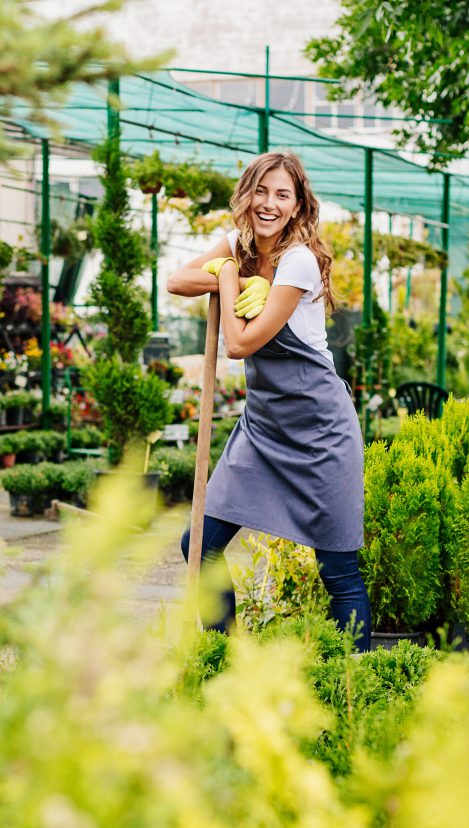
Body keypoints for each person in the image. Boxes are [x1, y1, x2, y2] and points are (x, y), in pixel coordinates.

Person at [166, 151, 371, 650]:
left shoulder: (298, 260)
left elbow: (239, 344)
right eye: (261, 191)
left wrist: (228, 277)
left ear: (298, 205)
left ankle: (360, 681)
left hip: (320, 431)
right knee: (199, 545)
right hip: (264, 428)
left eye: (283, 194)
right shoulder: (238, 244)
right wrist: (235, 274)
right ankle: (226, 659)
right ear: (247, 194)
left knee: (338, 569)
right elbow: (176, 280)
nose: (269, 203)